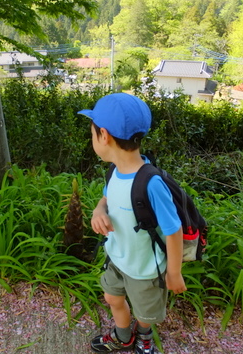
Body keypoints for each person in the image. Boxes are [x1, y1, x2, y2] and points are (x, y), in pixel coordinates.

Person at [78, 93, 187, 354]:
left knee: (145, 313)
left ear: (103, 136)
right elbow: (107, 198)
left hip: (146, 270)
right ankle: (123, 336)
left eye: (92, 134)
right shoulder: (115, 171)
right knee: (112, 297)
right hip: (117, 257)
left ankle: (144, 336)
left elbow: (174, 230)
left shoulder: (151, 183)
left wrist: (173, 273)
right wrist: (98, 210)